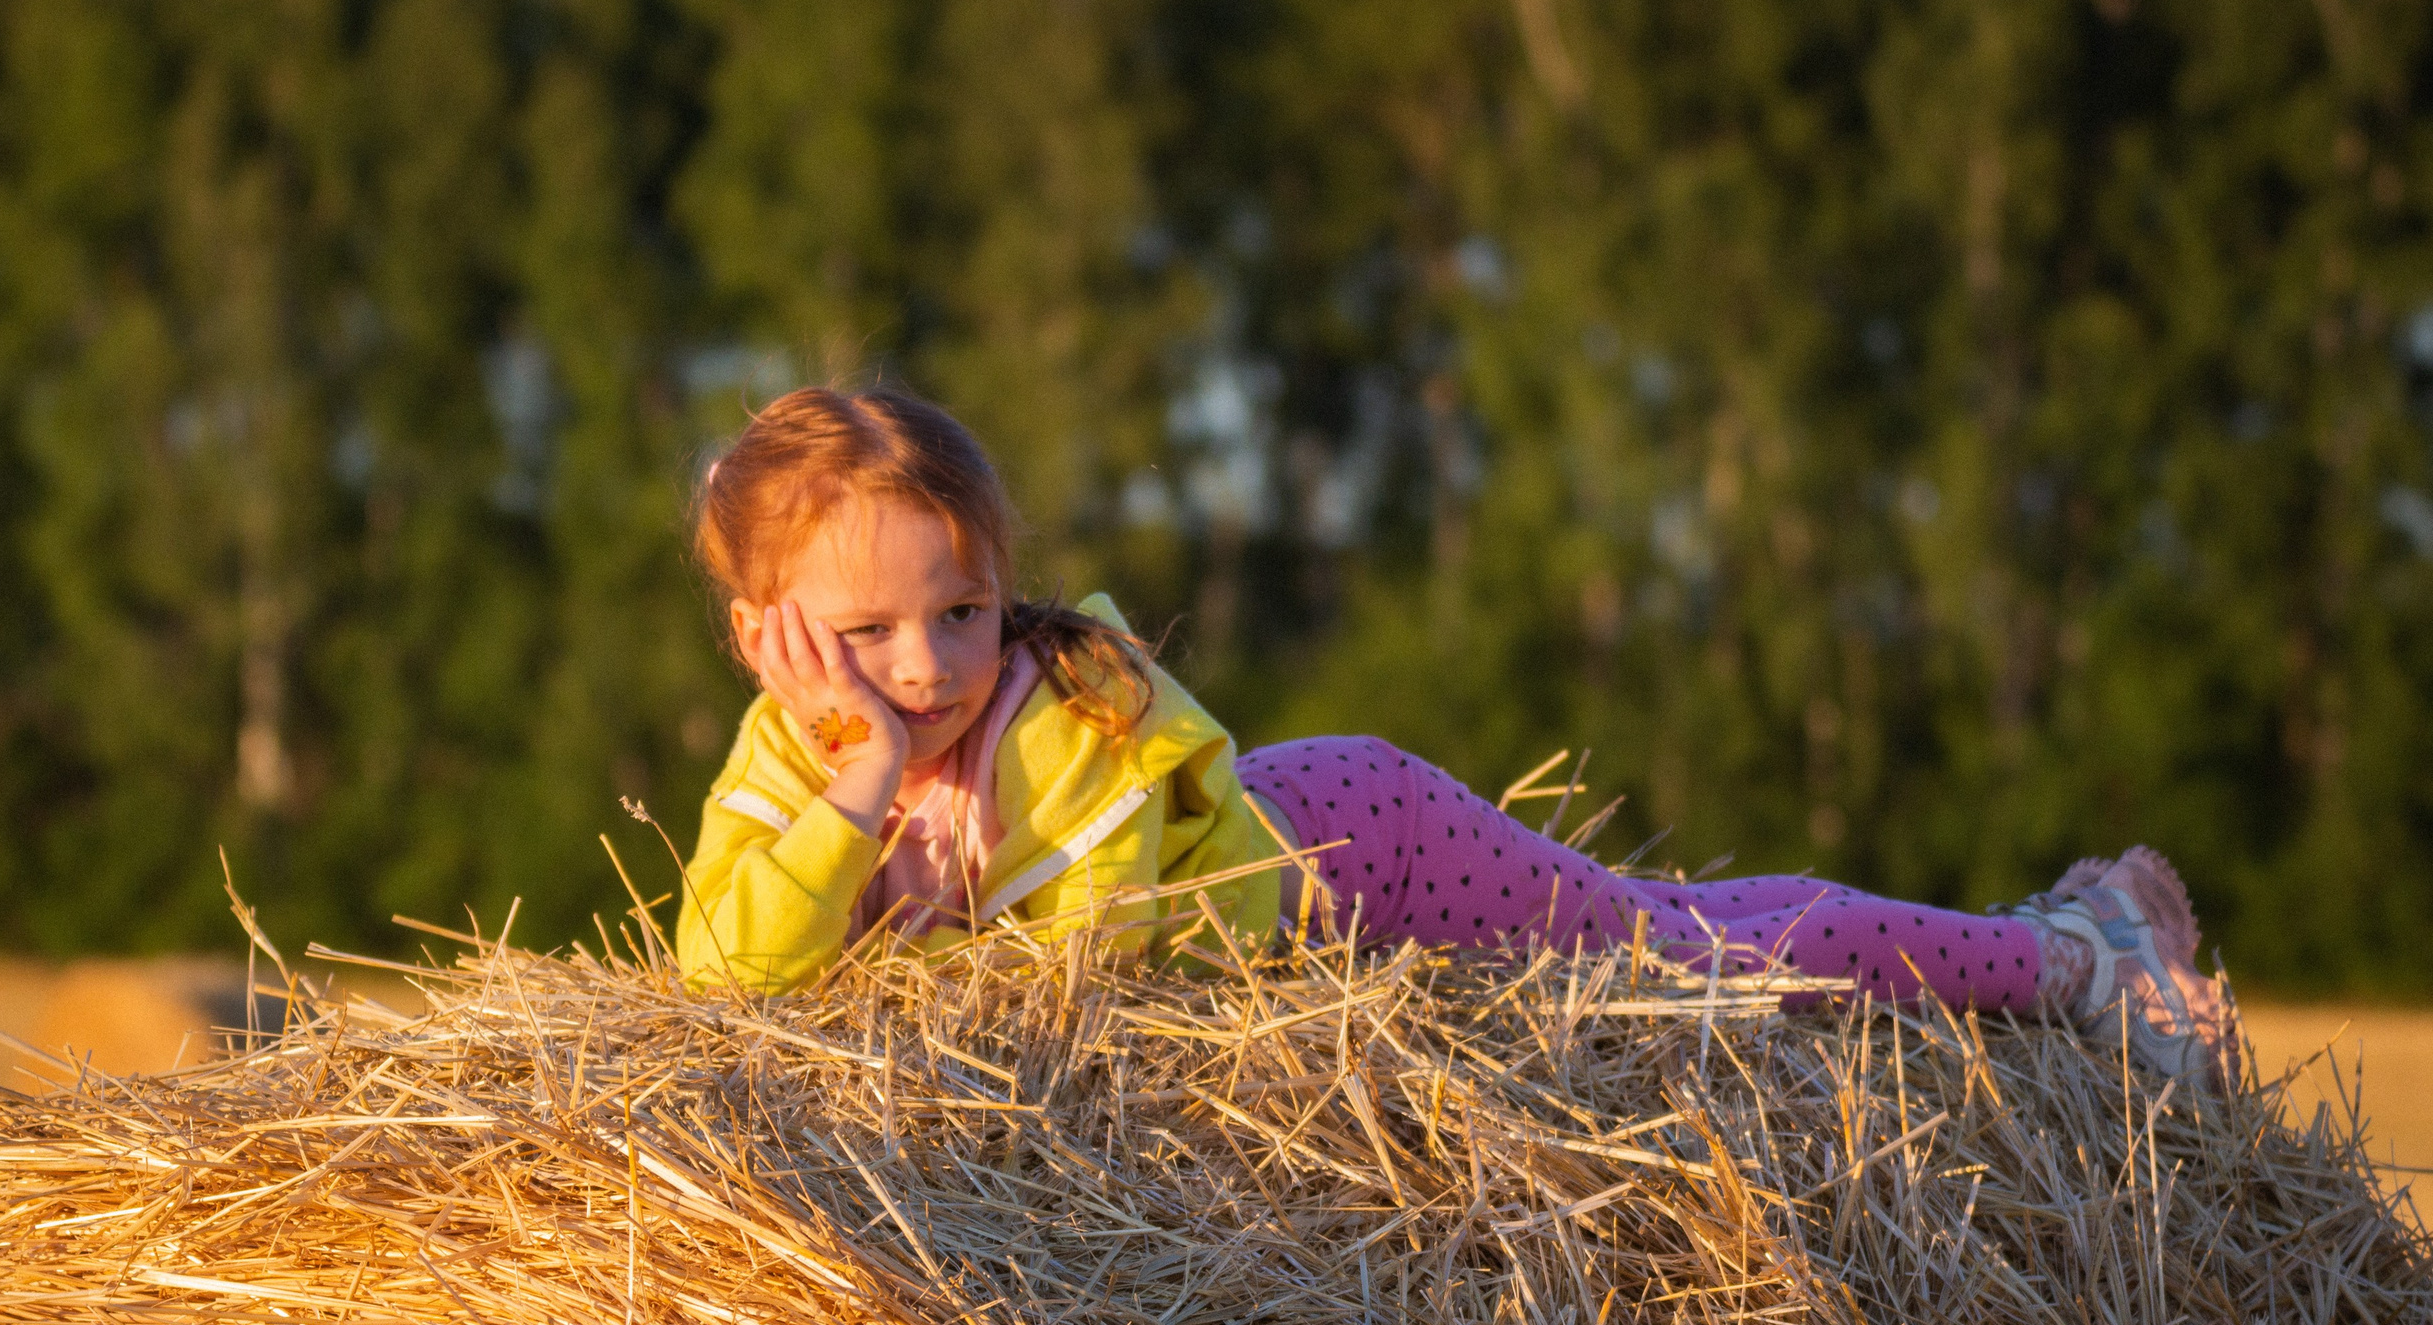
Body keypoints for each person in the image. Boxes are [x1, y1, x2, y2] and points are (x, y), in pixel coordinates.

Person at [674, 385, 2231, 1078]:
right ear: (767, 640)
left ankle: (2077, 970)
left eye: (961, 610)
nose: (928, 664)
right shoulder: (791, 770)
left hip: (1362, 853)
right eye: (865, 634)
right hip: (1312, 873)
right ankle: (2057, 931)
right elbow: (730, 977)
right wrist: (859, 791)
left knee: (1693, 963)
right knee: (1688, 940)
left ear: (1002, 583)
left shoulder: (1068, 718)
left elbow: (1095, 986)